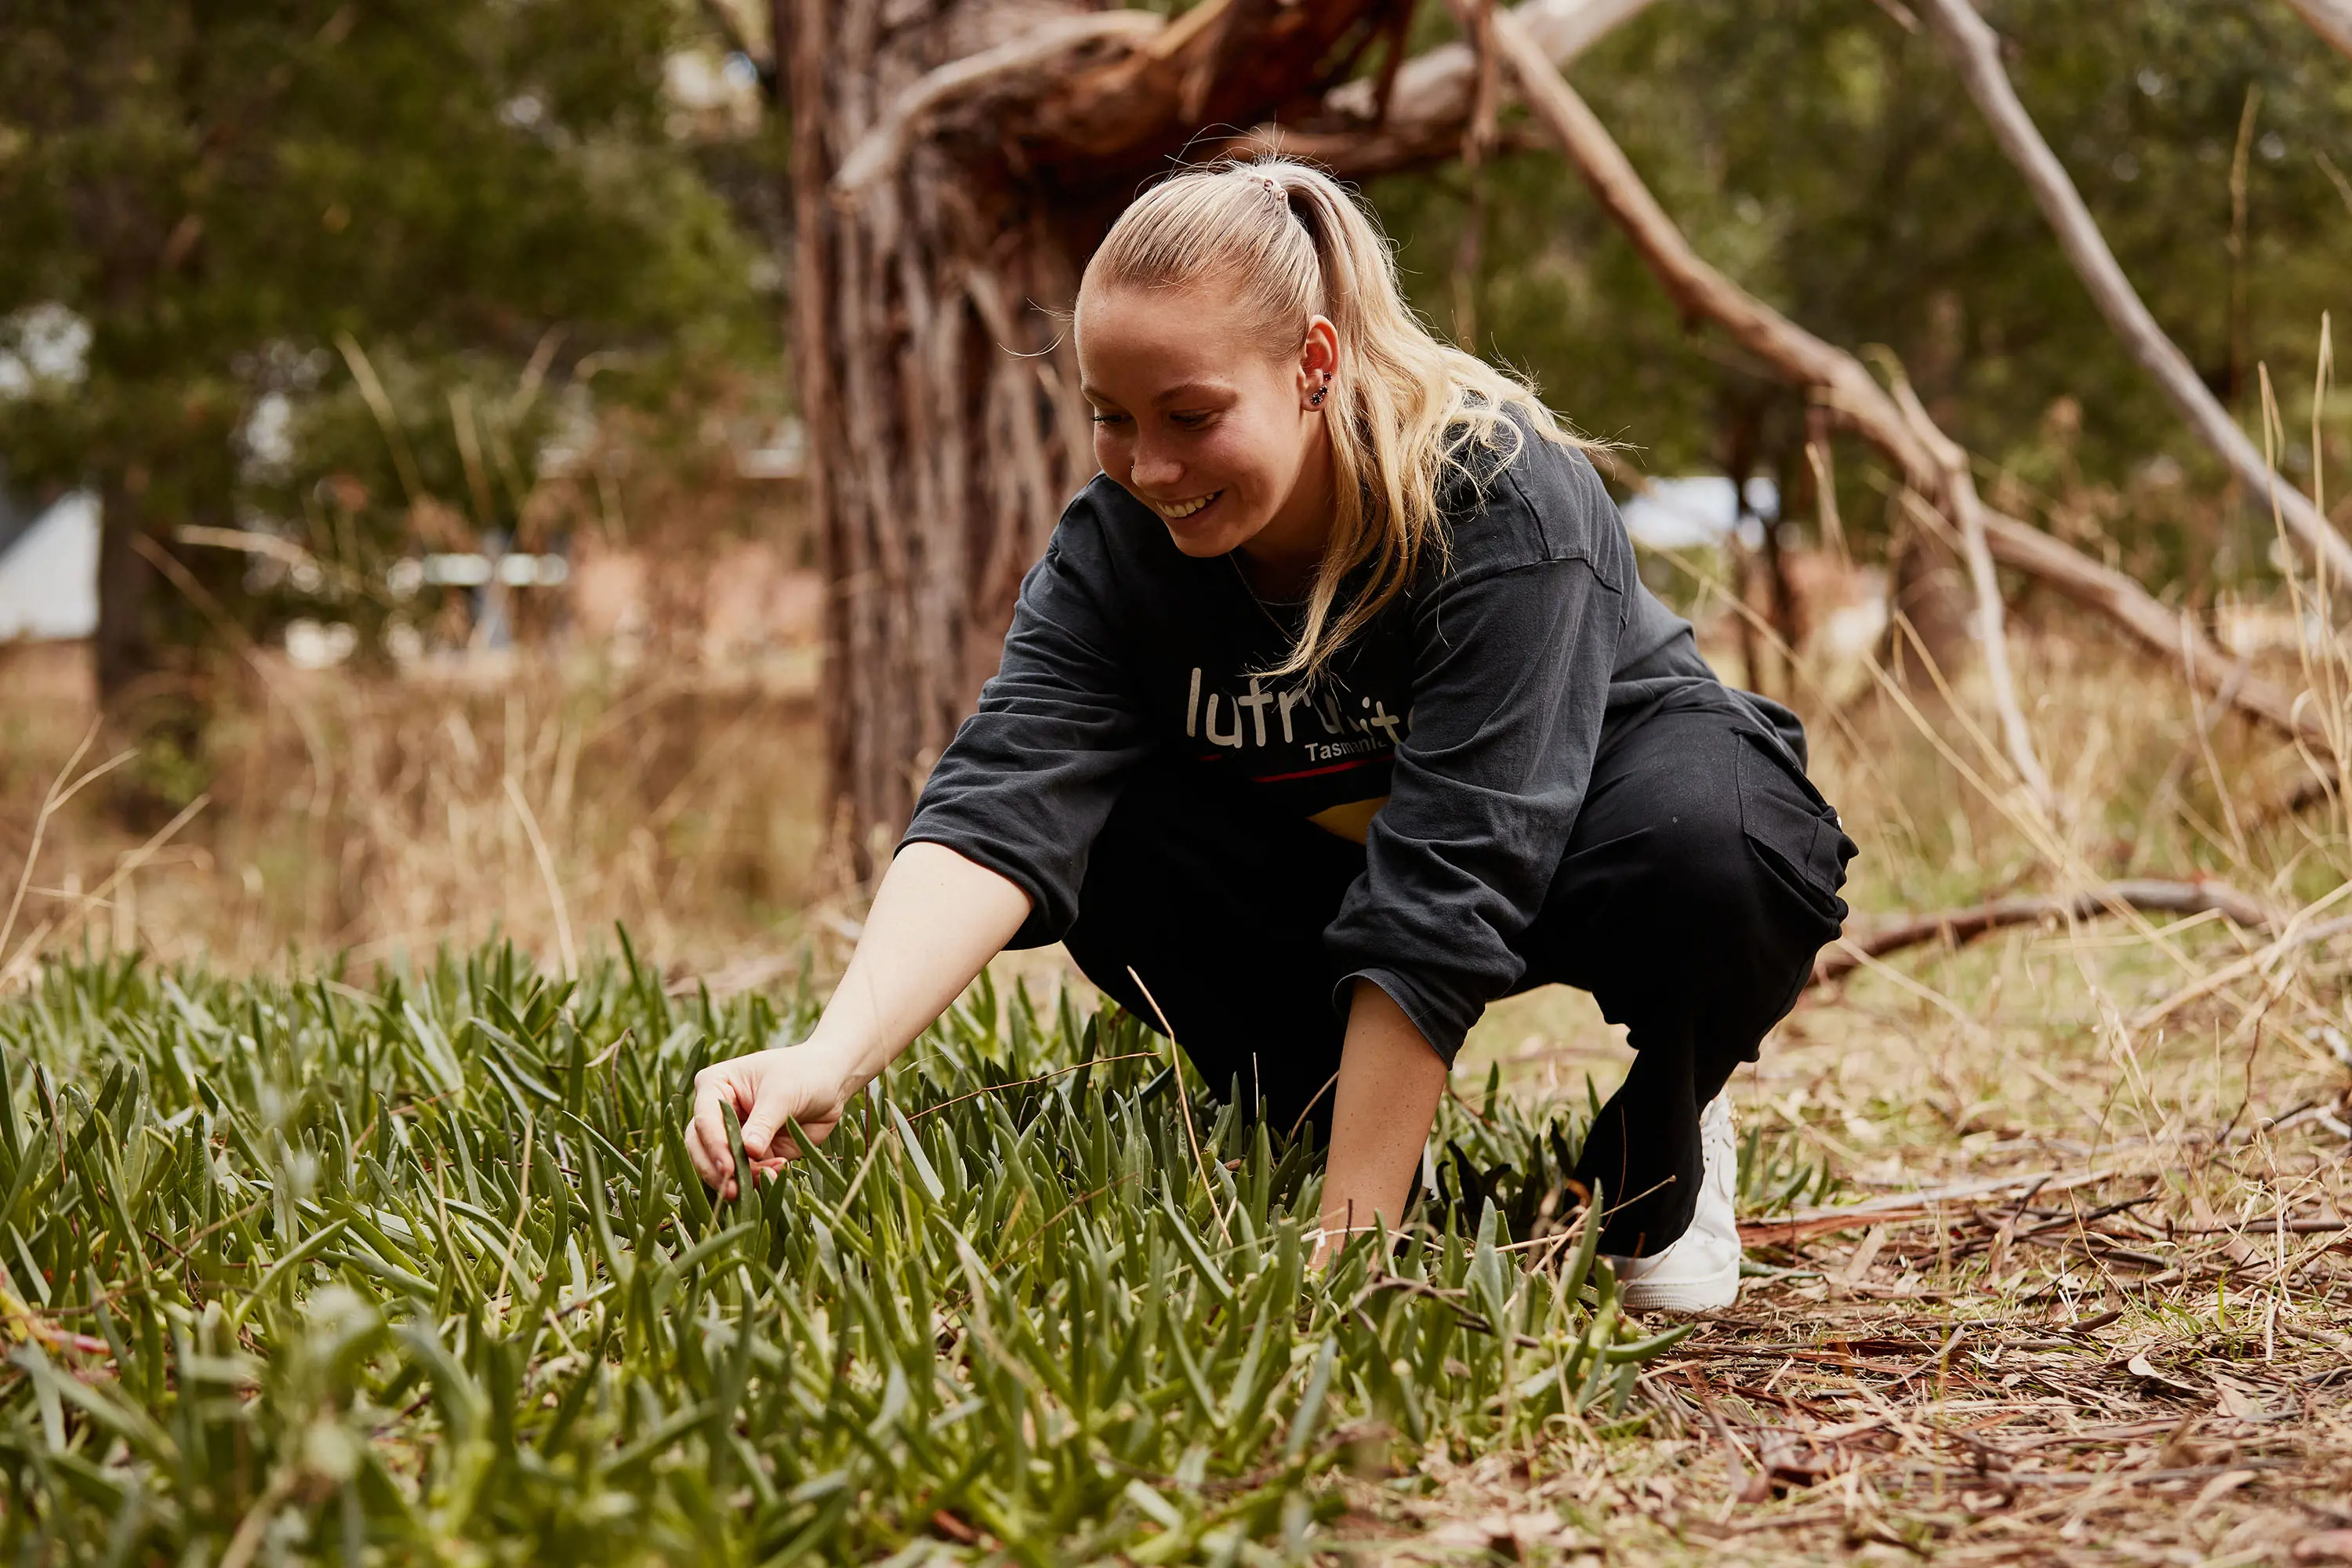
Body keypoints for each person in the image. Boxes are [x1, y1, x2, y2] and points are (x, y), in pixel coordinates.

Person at [685, 158, 1856, 1312]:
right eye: (1111, 417)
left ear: (1313, 363)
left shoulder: (1499, 500)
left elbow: (1455, 874)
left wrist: (1353, 1244)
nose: (1150, 468)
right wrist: (829, 1054)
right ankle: (1323, 1108)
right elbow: (1002, 801)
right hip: (1331, 863)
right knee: (1109, 832)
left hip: (1591, 829)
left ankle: (1664, 1138)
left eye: (1191, 416)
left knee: (1723, 848)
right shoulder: (1116, 551)